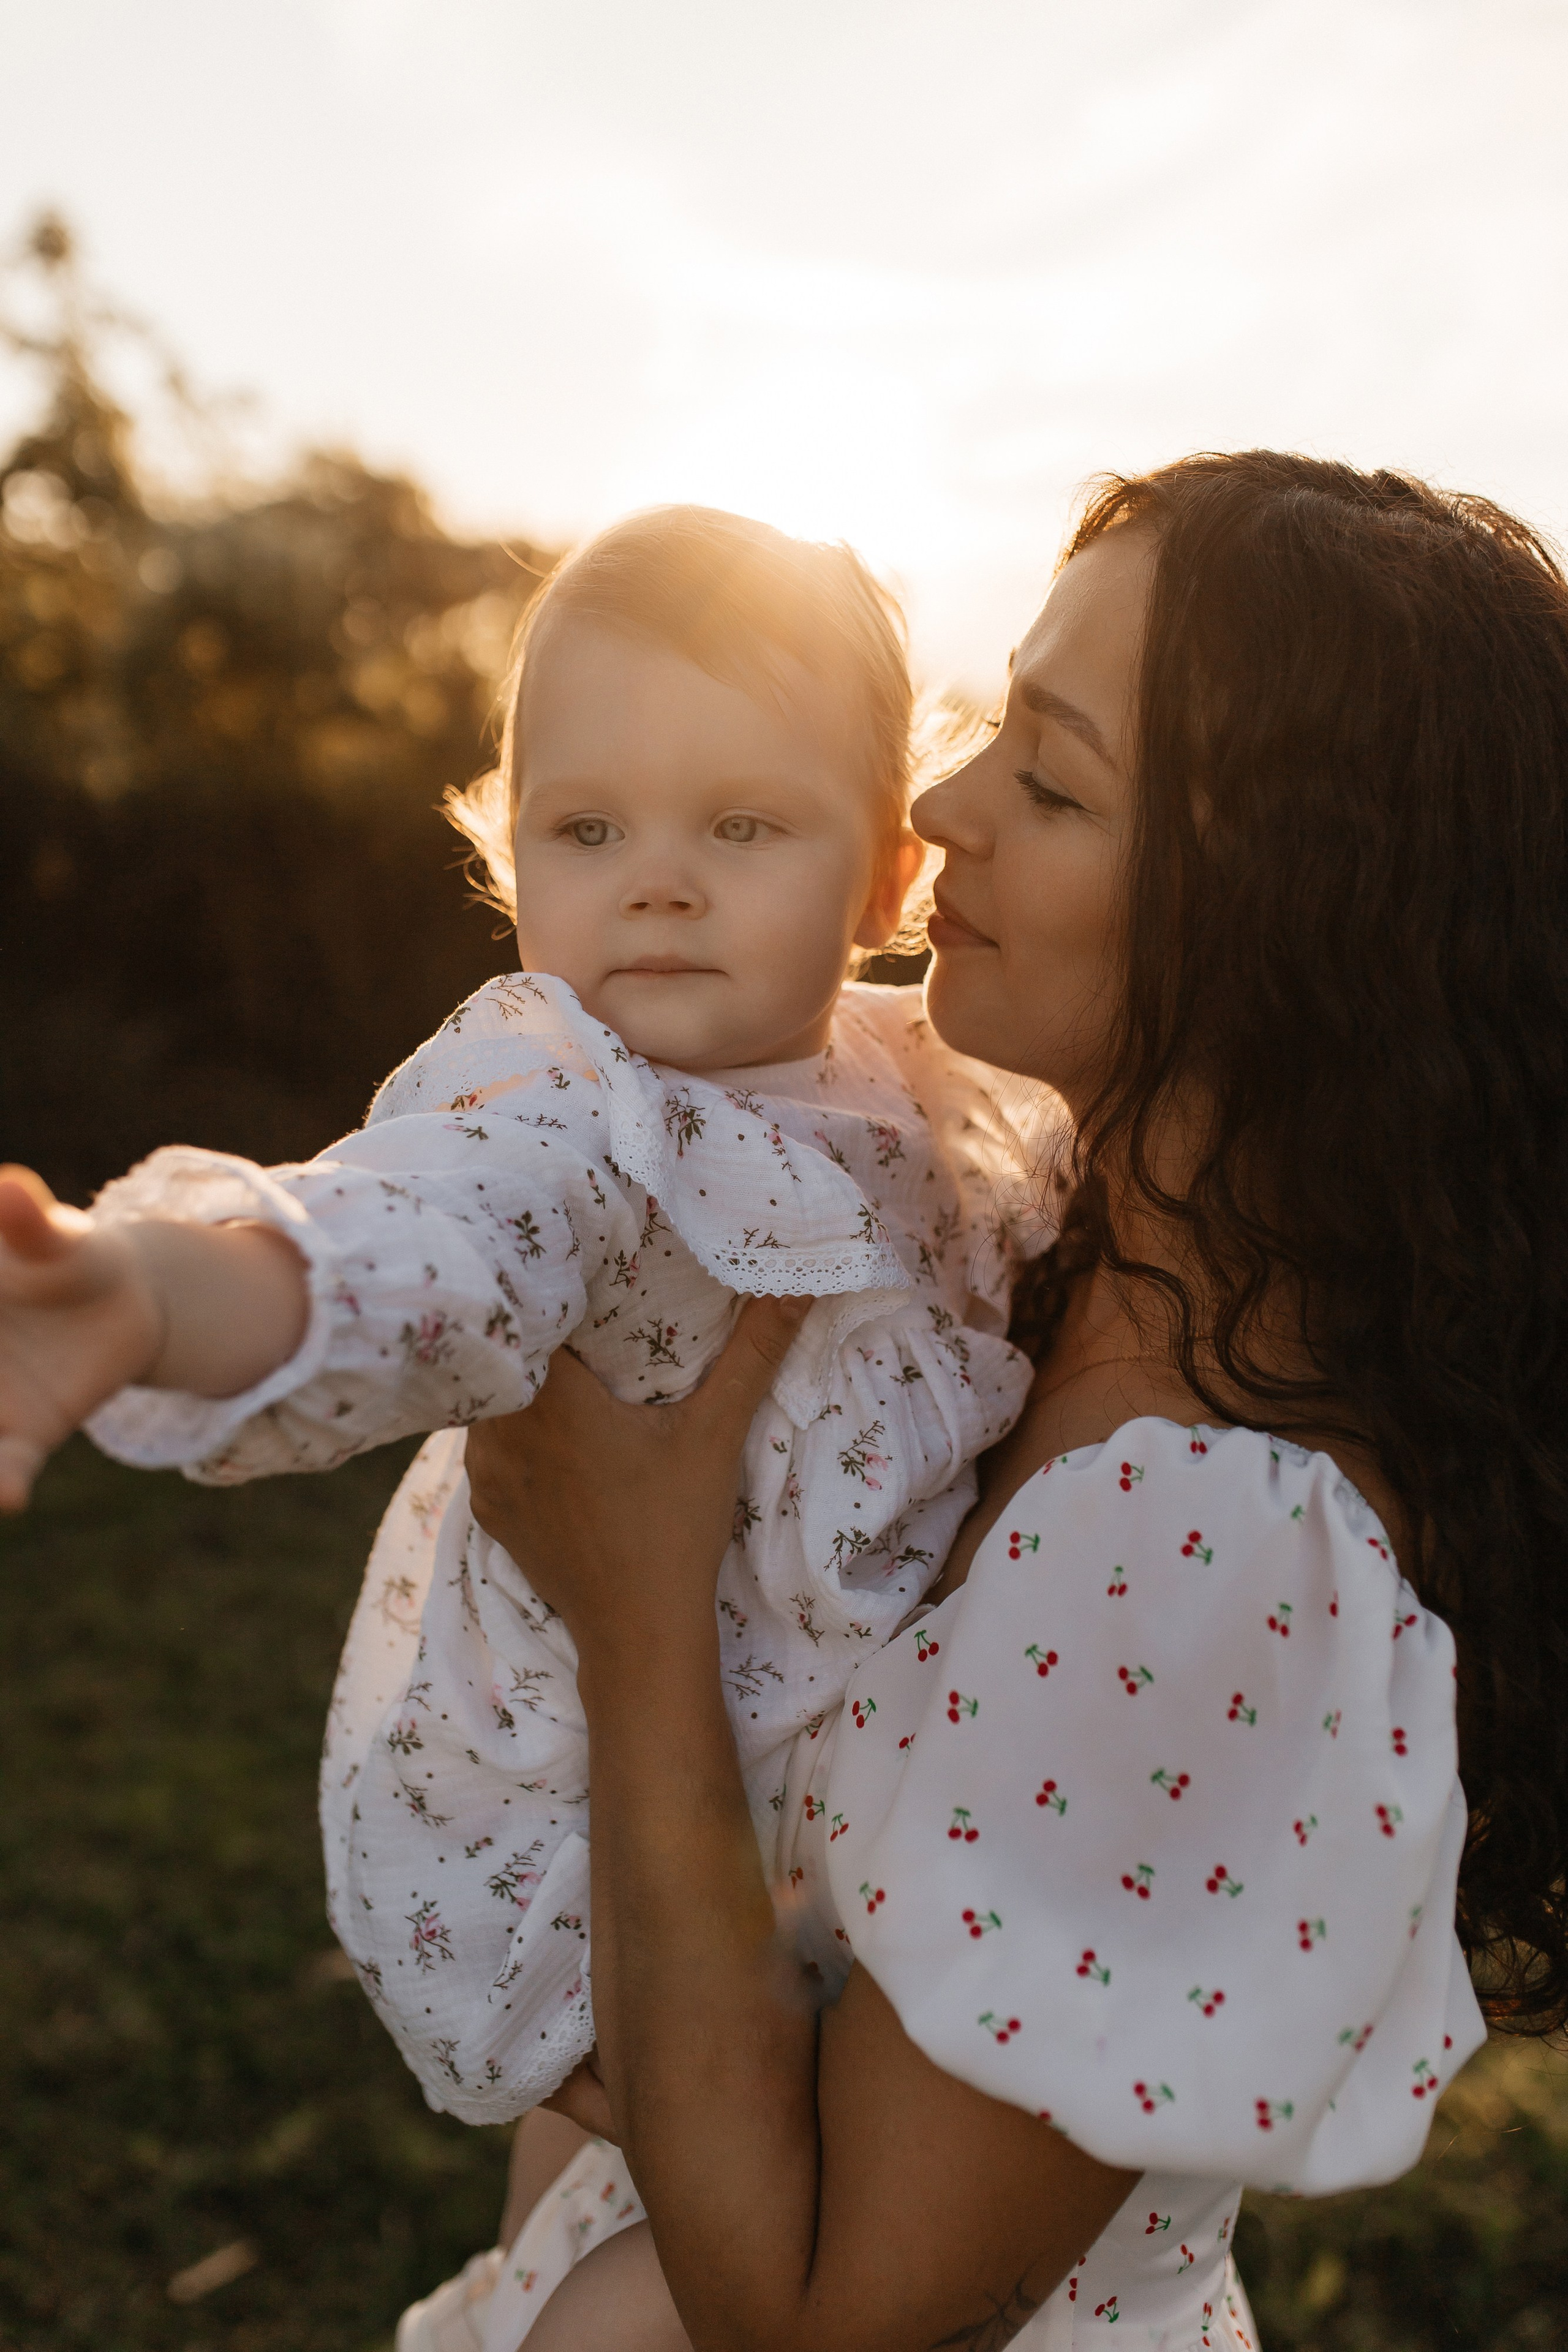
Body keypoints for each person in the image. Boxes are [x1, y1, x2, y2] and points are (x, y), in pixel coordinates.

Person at [426, 452, 1568, 2351]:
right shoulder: (1007, 1230)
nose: (939, 804)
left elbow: (824, 2315)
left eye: (1047, 778)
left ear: (1287, 925)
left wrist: (637, 1605)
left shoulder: (1221, 1544)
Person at [0, 508, 1055, 2127]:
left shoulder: (934, 1083)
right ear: (508, 856)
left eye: (744, 828)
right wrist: (148, 1294)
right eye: (588, 831)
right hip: (575, 1853)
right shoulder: (568, 1104)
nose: (659, 888)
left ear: (887, 876)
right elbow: (411, 1236)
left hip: (822, 1819)